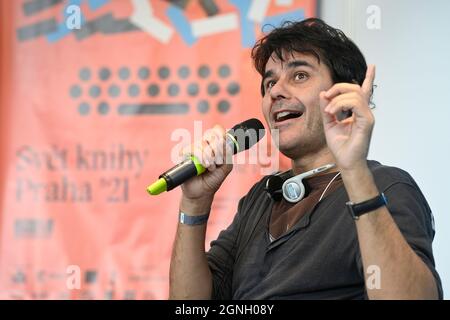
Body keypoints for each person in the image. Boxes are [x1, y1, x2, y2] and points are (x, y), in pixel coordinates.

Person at [169, 18, 442, 300]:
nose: (275, 91)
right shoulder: (259, 200)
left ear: (345, 95)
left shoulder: (387, 186)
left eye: (299, 76)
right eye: (270, 82)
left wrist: (354, 170)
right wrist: (194, 202)